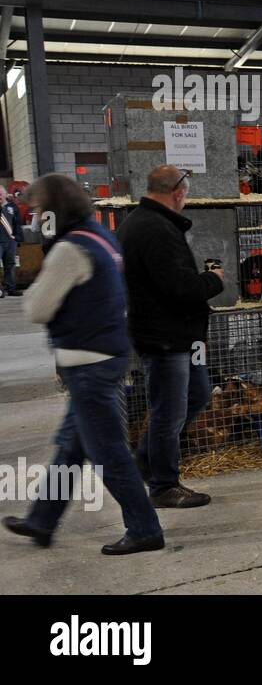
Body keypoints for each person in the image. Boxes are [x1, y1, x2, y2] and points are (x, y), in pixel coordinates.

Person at [2, 174, 165, 555]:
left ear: (53, 211)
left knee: (108, 452)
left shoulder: (69, 250)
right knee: (71, 448)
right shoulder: (100, 237)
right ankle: (42, 521)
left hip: (87, 361)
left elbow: (35, 308)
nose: (36, 215)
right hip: (107, 353)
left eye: (39, 208)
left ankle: (145, 529)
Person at [116, 165, 224, 507]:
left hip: (179, 335)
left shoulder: (145, 222)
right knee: (169, 411)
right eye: (186, 194)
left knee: (197, 395)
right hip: (165, 336)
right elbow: (179, 288)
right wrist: (214, 280)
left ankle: (146, 461)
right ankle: (163, 485)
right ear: (178, 192)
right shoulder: (155, 229)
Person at [0, 187, 22, 297]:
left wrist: (17, 238)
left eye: (0, 194)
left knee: (10, 264)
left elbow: (17, 223)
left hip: (10, 240)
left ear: (5, 195)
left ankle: (11, 287)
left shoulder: (12, 207)